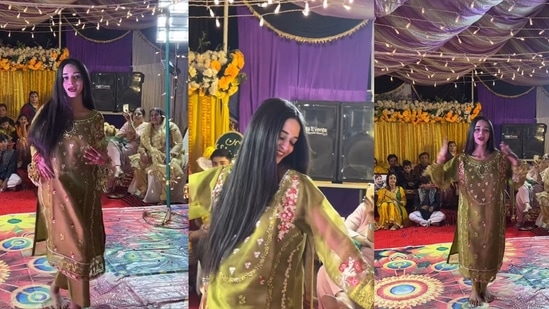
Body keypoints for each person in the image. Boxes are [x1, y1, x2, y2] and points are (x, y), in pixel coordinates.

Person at [189, 98, 372, 309]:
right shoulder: (222, 178)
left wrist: (370, 295)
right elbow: (180, 198)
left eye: (293, 142)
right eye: (281, 137)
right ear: (261, 132)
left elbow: (337, 243)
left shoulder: (298, 189)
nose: (286, 147)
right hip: (217, 301)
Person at [27, 58, 110, 309]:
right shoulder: (49, 111)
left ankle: (56, 289)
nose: (70, 83)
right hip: (56, 190)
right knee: (79, 245)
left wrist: (103, 159)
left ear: (84, 80)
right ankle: (79, 305)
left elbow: (102, 155)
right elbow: (34, 140)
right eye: (65, 77)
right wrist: (38, 156)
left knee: (78, 248)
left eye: (76, 77)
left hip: (84, 192)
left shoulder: (95, 118)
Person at [425, 116, 524, 307]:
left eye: (486, 130)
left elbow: (517, 182)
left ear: (490, 134)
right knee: (472, 250)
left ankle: (484, 287)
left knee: (489, 250)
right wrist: (440, 158)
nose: (481, 133)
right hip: (469, 216)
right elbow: (440, 180)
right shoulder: (461, 160)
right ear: (472, 132)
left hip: (493, 216)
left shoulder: (499, 160)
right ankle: (473, 289)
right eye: (477, 129)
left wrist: (513, 159)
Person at [317, 184, 374, 309]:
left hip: (369, 259)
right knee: (324, 270)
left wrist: (371, 219)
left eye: (372, 200)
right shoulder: (363, 208)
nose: (368, 204)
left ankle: (345, 300)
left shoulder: (375, 214)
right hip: (353, 254)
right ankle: (343, 299)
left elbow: (373, 244)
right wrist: (362, 239)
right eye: (367, 200)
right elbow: (345, 229)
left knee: (335, 265)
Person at [128, 107, 185, 204]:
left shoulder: (171, 126)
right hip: (151, 154)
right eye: (152, 115)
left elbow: (179, 143)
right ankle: (143, 189)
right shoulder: (148, 128)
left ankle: (164, 197)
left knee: (166, 168)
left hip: (169, 154)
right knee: (136, 162)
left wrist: (170, 154)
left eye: (156, 115)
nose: (154, 117)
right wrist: (143, 153)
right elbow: (142, 145)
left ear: (161, 116)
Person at [106, 107, 147, 179]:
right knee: (112, 142)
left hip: (135, 150)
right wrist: (125, 136)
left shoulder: (146, 126)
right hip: (124, 146)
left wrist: (130, 122)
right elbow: (118, 135)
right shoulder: (127, 124)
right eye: (135, 114)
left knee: (113, 155)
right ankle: (117, 168)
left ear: (143, 116)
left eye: (139, 114)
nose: (136, 115)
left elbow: (136, 136)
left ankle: (114, 177)